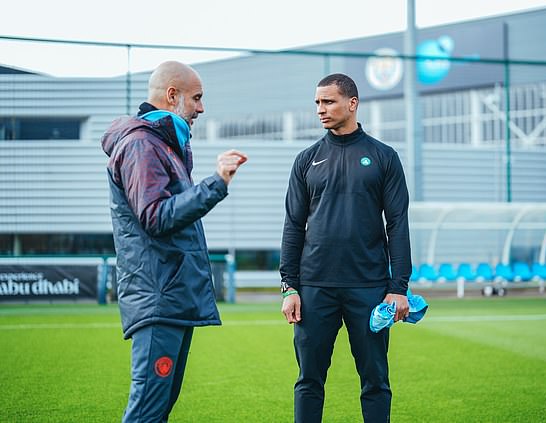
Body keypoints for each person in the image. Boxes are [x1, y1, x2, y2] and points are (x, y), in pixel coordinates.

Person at [101, 60, 247, 422]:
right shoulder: (141, 145)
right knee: (147, 413)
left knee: (158, 410)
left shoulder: (163, 145)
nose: (201, 107)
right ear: (172, 95)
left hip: (170, 297)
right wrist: (216, 183)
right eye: (197, 98)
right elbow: (156, 216)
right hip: (158, 298)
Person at [280, 73, 412, 422]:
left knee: (375, 381)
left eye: (329, 102)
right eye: (317, 103)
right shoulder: (307, 160)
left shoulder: (383, 157)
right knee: (309, 380)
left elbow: (397, 223)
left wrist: (398, 288)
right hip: (314, 288)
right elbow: (293, 225)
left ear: (352, 104)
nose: (321, 110)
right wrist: (289, 286)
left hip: (368, 288)